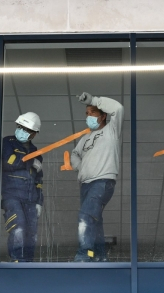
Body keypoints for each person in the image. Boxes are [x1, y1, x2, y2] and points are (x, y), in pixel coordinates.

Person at [70, 92, 124, 262]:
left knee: (85, 216)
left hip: (102, 181)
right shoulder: (85, 138)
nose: (89, 116)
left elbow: (118, 108)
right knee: (95, 219)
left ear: (103, 116)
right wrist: (81, 167)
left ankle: (84, 255)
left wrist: (94, 100)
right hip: (86, 184)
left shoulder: (112, 130)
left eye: (93, 112)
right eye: (87, 113)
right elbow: (74, 154)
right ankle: (100, 255)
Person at [1, 112, 44, 262]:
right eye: (20, 127)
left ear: (34, 133)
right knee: (18, 228)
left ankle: (28, 264)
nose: (22, 131)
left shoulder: (37, 153)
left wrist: (39, 202)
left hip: (31, 198)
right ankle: (17, 261)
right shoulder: (8, 142)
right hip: (12, 195)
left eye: (26, 129)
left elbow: (38, 180)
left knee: (31, 234)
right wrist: (29, 162)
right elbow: (8, 162)